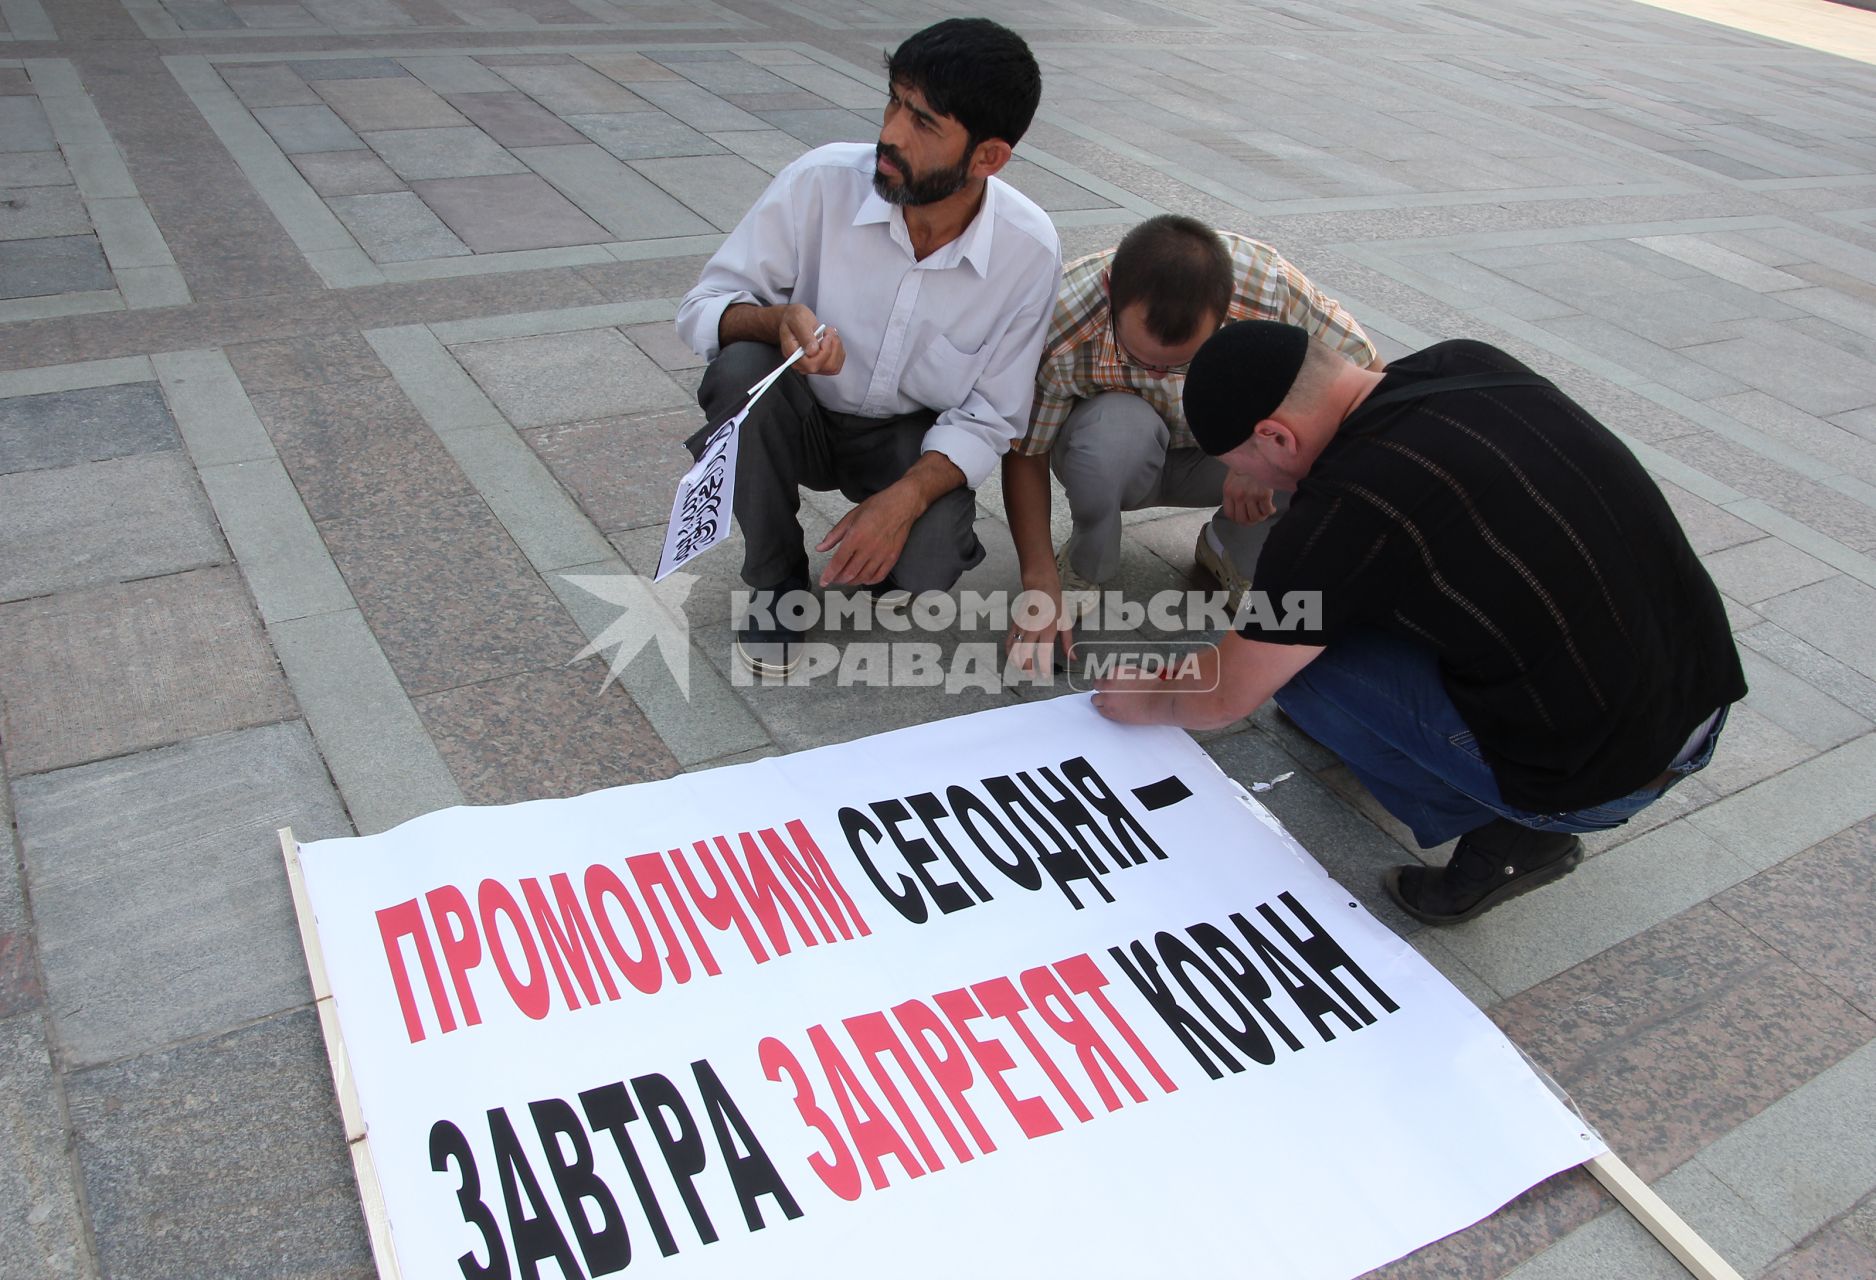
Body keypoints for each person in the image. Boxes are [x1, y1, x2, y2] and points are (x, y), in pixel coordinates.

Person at [1090, 321, 1745, 925]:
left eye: (1238, 464)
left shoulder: (1343, 516)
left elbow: (1227, 695)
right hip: (1697, 694)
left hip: (1601, 777)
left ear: (1277, 436)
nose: (1242, 482)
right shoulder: (1465, 363)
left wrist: (1147, 697)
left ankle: (1506, 831)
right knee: (1329, 622)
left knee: (1304, 665)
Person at [674, 17, 1061, 677]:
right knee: (739, 372)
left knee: (926, 563)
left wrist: (904, 501)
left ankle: (895, 549)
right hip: (800, 415)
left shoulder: (1028, 252)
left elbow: (991, 416)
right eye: (894, 103)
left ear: (988, 157)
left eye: (924, 124)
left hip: (904, 441)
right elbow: (701, 310)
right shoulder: (819, 181)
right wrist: (776, 322)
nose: (890, 134)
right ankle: (776, 582)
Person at [1005, 216, 1378, 670]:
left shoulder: (1269, 287)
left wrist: (1258, 459)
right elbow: (1025, 451)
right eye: (1138, 359)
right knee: (1111, 434)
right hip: (1121, 454)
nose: (1161, 376)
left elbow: (1371, 382)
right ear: (1110, 289)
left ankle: (1233, 547)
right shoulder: (1060, 317)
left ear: (1227, 311)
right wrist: (1037, 577)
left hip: (1231, 463)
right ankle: (1086, 561)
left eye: (1185, 362)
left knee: (1311, 430)